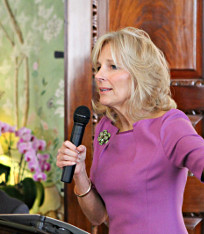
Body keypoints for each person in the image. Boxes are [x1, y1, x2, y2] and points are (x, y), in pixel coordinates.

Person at [56, 27, 204, 234]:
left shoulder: (170, 124)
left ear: (139, 75)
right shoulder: (105, 129)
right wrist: (79, 174)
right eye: (98, 67)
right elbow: (97, 216)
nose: (99, 75)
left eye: (112, 66)